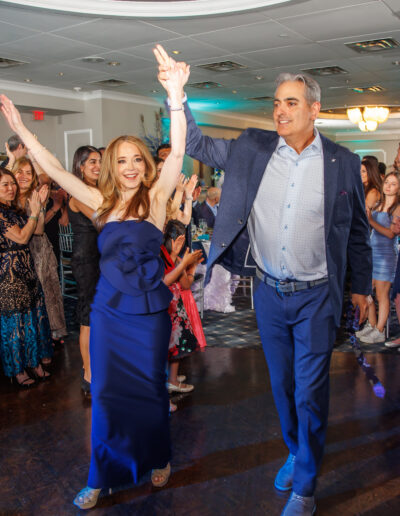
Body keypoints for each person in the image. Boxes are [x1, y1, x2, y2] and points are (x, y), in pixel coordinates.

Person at [156, 49, 371, 516]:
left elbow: (356, 232)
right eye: (277, 102)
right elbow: (193, 142)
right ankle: (295, 448)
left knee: (311, 391)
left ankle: (306, 487)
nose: (280, 110)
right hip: (270, 293)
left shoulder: (341, 162)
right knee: (282, 386)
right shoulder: (252, 147)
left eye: (291, 102)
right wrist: (178, 94)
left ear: (314, 108)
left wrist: (359, 286)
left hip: (317, 296)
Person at [0, 45, 187, 509]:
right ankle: (102, 475)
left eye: (136, 160)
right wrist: (22, 129)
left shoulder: (160, 198)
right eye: (120, 160)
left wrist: (176, 98)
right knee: (105, 394)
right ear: (110, 166)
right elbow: (56, 169)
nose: (129, 167)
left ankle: (157, 456)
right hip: (108, 314)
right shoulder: (98, 202)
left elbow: (179, 148)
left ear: (146, 166)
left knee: (149, 391)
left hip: (147, 315)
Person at [0, 168, 53, 386]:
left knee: (32, 318)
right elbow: (22, 237)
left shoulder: (14, 210)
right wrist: (32, 213)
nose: (11, 188)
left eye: (12, 183)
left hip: (27, 269)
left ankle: (33, 363)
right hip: (8, 274)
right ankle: (17, 369)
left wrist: (38, 208)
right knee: (15, 323)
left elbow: (38, 230)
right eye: (5, 185)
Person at [67, 145, 101, 396]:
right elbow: (101, 221)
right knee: (88, 318)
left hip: (101, 257)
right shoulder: (78, 194)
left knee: (101, 316)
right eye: (92, 162)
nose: (98, 166)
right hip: (86, 259)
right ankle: (88, 375)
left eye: (100, 161)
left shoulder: (98, 190)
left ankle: (100, 368)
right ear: (80, 166)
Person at [161, 220, 205, 394]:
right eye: (178, 241)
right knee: (174, 343)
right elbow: (171, 282)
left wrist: (188, 266)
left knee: (175, 344)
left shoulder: (172, 258)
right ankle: (171, 380)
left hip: (174, 306)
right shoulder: (162, 257)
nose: (180, 244)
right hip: (168, 307)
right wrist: (186, 267)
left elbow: (184, 284)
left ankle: (171, 376)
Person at [356, 172, 400, 344]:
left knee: (382, 295)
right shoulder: (378, 203)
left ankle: (380, 329)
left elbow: (391, 234)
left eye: (393, 184)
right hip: (372, 252)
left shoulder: (397, 207)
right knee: (369, 291)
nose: (388, 186)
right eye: (387, 182)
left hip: (387, 255)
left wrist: (371, 221)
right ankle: (372, 324)